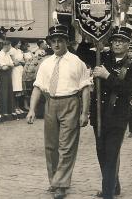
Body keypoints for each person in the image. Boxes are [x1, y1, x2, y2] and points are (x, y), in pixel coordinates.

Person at [26, 24, 91, 199]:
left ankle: (62, 184)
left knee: (67, 146)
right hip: (50, 104)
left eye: (60, 41)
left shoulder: (77, 62)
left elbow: (85, 88)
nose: (56, 44)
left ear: (67, 42)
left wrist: (85, 113)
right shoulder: (46, 63)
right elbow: (37, 87)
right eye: (53, 41)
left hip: (70, 103)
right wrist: (32, 109)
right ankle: (54, 180)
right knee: (51, 146)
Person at [76, 26, 132, 199]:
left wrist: (107, 76)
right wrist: (91, 37)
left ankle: (108, 193)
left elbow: (129, 90)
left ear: (128, 44)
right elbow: (81, 53)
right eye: (115, 41)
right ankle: (114, 184)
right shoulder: (102, 57)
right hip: (99, 116)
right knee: (102, 153)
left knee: (111, 154)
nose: (117, 44)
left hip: (118, 117)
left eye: (122, 41)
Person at [0, 40, 15, 118]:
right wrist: (9, 65)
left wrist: (8, 65)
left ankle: (9, 110)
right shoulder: (0, 55)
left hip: (8, 74)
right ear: (6, 46)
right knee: (3, 92)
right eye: (10, 46)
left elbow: (12, 64)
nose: (10, 47)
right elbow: (3, 68)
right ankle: (4, 111)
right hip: (2, 75)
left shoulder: (7, 54)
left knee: (9, 91)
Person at [10, 39, 26, 116]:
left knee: (20, 90)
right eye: (19, 43)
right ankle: (15, 108)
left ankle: (18, 107)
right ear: (15, 43)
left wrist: (19, 62)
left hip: (20, 70)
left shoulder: (20, 51)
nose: (20, 44)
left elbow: (23, 61)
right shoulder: (12, 50)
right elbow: (13, 62)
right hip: (15, 71)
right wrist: (19, 62)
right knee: (16, 89)